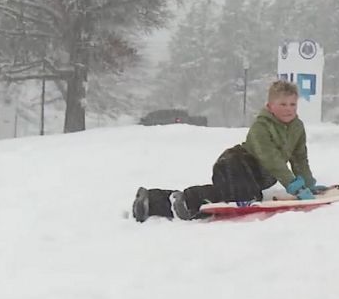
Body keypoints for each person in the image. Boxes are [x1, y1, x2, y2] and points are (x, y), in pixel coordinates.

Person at [131, 80, 326, 221]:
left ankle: (154, 199)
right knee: (244, 198)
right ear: (270, 106)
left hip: (255, 176)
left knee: (235, 195)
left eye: (292, 104)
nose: (288, 109)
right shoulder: (261, 127)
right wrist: (294, 186)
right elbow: (270, 159)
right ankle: (185, 202)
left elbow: (300, 158)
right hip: (236, 163)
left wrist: (307, 183)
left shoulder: (297, 127)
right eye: (282, 104)